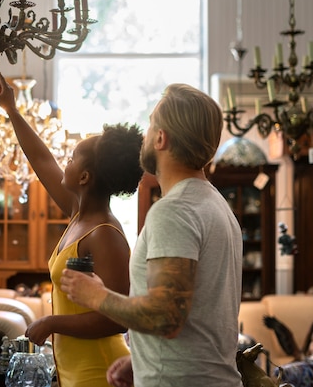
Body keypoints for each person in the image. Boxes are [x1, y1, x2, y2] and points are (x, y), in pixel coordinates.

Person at [60, 83, 244, 387]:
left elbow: (165, 317)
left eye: (149, 126)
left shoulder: (174, 211)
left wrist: (95, 295)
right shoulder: (216, 206)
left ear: (161, 138)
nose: (144, 136)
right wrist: (142, 358)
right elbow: (197, 315)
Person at [0, 70, 143, 387]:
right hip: (74, 371)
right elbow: (42, 160)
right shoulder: (78, 214)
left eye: (73, 157)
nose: (65, 161)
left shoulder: (104, 233)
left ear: (85, 177)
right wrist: (12, 111)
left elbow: (118, 318)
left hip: (100, 372)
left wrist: (51, 322)